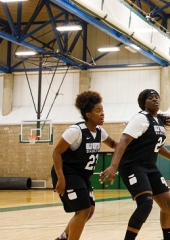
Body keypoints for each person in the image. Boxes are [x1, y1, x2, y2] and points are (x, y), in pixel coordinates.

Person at [100, 89, 170, 240]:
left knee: (168, 204)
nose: (155, 99)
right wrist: (113, 166)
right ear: (143, 103)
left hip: (149, 167)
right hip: (132, 165)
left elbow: (158, 147)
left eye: (157, 97)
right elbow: (123, 142)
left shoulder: (158, 122)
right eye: (151, 98)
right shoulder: (140, 119)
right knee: (146, 203)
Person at [52, 91, 117, 240]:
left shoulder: (99, 131)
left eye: (102, 110)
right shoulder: (76, 131)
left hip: (82, 176)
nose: (102, 114)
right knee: (82, 210)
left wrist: (131, 144)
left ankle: (63, 237)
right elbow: (56, 153)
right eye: (98, 111)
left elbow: (115, 144)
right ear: (88, 114)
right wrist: (61, 178)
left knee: (90, 209)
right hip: (67, 173)